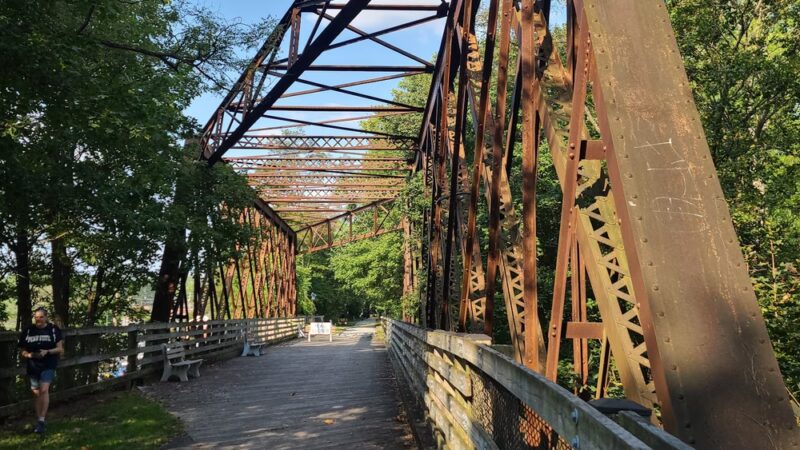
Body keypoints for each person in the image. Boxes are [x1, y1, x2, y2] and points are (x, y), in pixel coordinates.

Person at [17, 307, 64, 435]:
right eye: (36, 317)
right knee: (37, 393)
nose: (38, 319)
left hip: (48, 363)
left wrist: (47, 351)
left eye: (41, 317)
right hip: (33, 365)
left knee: (44, 390)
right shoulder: (28, 330)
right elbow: (22, 350)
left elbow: (60, 349)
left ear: (46, 317)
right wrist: (28, 355)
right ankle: (39, 421)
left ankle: (42, 419)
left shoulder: (53, 329)